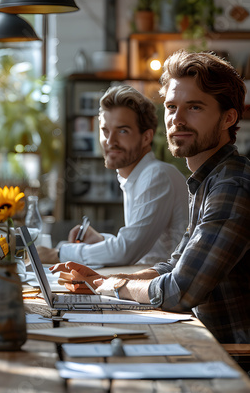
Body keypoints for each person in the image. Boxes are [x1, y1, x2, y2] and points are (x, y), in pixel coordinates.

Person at [53, 50, 250, 345]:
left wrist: (115, 284)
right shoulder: (209, 180)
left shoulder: (232, 186)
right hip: (202, 339)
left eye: (194, 107)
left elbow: (180, 290)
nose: (177, 120)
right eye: (171, 107)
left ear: (228, 118)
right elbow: (174, 264)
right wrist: (101, 280)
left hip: (232, 355)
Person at [40, 85, 188, 267]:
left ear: (146, 137)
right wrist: (101, 240)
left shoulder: (156, 176)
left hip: (166, 289)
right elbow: (141, 247)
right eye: (105, 131)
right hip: (150, 281)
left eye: (122, 131)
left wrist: (59, 253)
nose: (110, 141)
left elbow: (126, 251)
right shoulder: (136, 177)